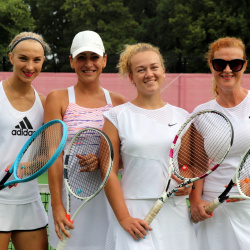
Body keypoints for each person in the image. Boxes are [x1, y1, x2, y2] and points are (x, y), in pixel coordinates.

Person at [102, 43, 198, 250]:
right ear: (131, 77)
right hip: (134, 216)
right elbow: (108, 172)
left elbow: (186, 166)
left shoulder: (183, 116)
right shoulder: (116, 117)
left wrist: (187, 182)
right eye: (140, 70)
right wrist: (124, 218)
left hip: (175, 213)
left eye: (154, 67)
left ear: (163, 70)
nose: (149, 74)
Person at [44, 30, 126, 250]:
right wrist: (57, 206)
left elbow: (126, 158)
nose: (88, 63)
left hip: (109, 201)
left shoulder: (119, 103)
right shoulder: (57, 99)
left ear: (104, 60)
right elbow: (54, 157)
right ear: (71, 61)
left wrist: (104, 161)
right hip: (70, 201)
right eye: (81, 57)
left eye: (94, 57)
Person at [189, 37, 250, 249]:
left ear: (244, 65)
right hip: (214, 211)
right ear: (211, 66)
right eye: (219, 64)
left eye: (235, 64)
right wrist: (196, 202)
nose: (227, 70)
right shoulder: (201, 113)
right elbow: (196, 165)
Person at [0, 32, 50, 249]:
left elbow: (46, 155)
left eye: (36, 60)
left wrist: (30, 165)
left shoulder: (44, 103)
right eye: (23, 58)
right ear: (11, 58)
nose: (30, 66)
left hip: (29, 202)